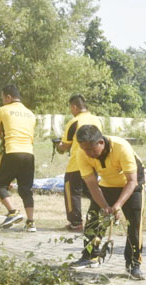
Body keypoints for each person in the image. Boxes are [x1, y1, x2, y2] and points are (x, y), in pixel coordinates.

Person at [70, 125, 145, 280]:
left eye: (91, 149)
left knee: (134, 224)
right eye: (85, 150)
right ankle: (90, 256)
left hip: (131, 184)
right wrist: (104, 206)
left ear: (101, 143)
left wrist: (117, 206)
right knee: (93, 221)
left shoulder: (121, 148)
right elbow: (91, 184)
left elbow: (132, 181)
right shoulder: (82, 153)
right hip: (106, 184)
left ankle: (133, 264)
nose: (89, 154)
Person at [57, 94, 103, 232]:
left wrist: (57, 146)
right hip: (93, 161)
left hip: (76, 163)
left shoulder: (74, 121)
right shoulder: (97, 120)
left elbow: (65, 145)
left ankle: (76, 223)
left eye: (71, 108)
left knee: (72, 193)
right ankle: (99, 214)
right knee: (92, 191)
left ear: (74, 107)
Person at [0, 84, 36, 231]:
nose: (2, 101)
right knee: (26, 189)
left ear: (8, 97)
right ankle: (31, 222)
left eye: (2, 98)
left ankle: (12, 211)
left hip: (12, 150)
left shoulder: (3, 110)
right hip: (29, 153)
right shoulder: (30, 113)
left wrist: (3, 138)